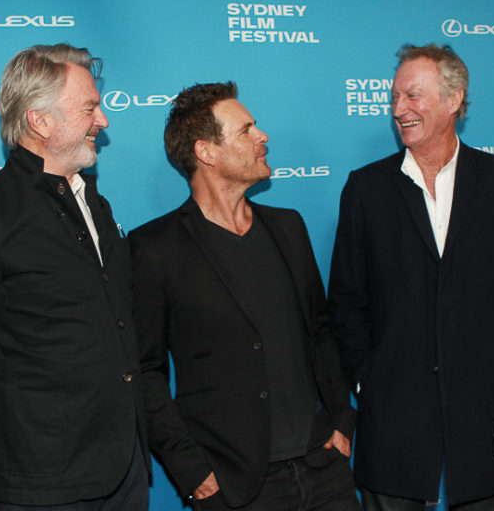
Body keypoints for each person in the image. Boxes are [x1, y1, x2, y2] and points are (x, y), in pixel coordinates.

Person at [0, 43, 148, 510]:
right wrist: (5, 441)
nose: (103, 121)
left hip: (124, 470)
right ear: (40, 121)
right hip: (42, 482)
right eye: (89, 108)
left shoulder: (95, 206)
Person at [328, 43, 494, 510]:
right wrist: (367, 380)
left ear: (454, 99)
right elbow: (346, 300)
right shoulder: (366, 188)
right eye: (394, 98)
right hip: (392, 415)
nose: (399, 109)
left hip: (487, 408)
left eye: (412, 96)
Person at [130, 82, 359, 510]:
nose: (262, 136)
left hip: (324, 465)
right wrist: (191, 469)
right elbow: (144, 372)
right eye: (246, 130)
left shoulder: (288, 227)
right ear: (206, 152)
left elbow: (321, 331)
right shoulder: (155, 249)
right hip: (236, 484)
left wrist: (342, 419)